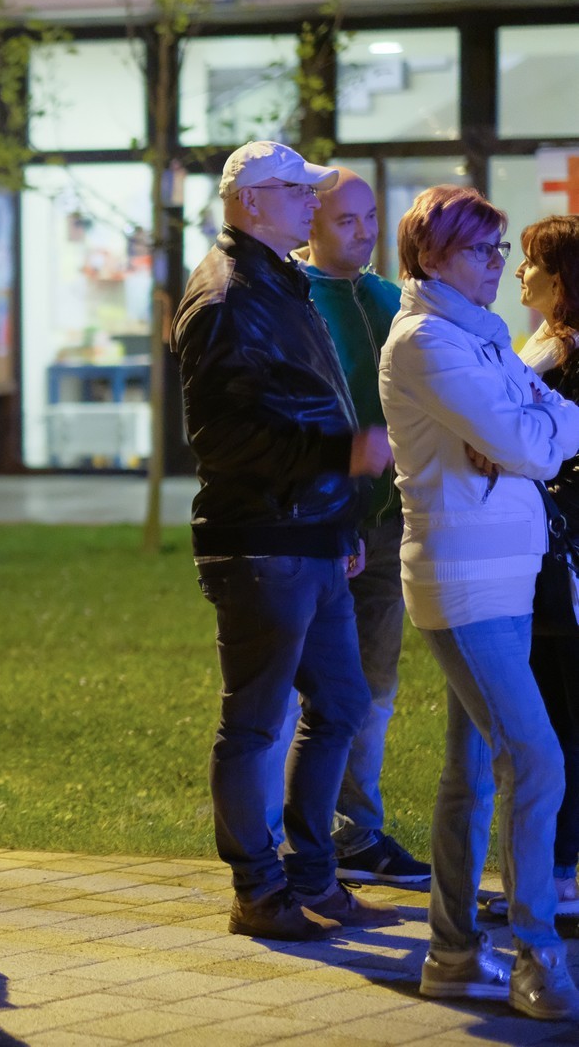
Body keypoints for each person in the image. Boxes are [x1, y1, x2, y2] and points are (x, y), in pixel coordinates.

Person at [172, 140, 398, 942]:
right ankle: (259, 892)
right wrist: (344, 457)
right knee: (256, 721)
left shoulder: (278, 280)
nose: (311, 202)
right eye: (296, 191)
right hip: (263, 539)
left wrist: (341, 517)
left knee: (340, 706)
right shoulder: (227, 296)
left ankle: (312, 878)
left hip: (311, 532)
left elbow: (305, 401)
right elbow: (225, 440)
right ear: (250, 202)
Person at [381, 187, 579, 1019]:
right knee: (536, 760)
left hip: (506, 573)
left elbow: (552, 418)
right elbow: (532, 442)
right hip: (465, 580)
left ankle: (454, 953)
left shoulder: (481, 334)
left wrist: (531, 426)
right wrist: (529, 429)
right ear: (432, 257)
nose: (497, 265)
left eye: (500, 250)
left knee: (472, 772)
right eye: (480, 250)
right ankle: (538, 954)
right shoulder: (427, 340)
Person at [263, 167, 430, 885]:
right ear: (310, 223)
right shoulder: (293, 302)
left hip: (388, 523)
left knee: (374, 689)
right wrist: (338, 511)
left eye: (369, 219)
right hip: (321, 525)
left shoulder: (387, 298)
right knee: (304, 693)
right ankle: (286, 839)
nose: (363, 233)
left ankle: (356, 831)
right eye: (345, 220)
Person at [518, 215, 579, 920]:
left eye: (531, 262)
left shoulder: (562, 356)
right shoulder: (544, 345)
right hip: (548, 561)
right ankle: (556, 871)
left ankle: (559, 873)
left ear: (561, 279)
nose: (518, 271)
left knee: (560, 720)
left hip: (562, 565)